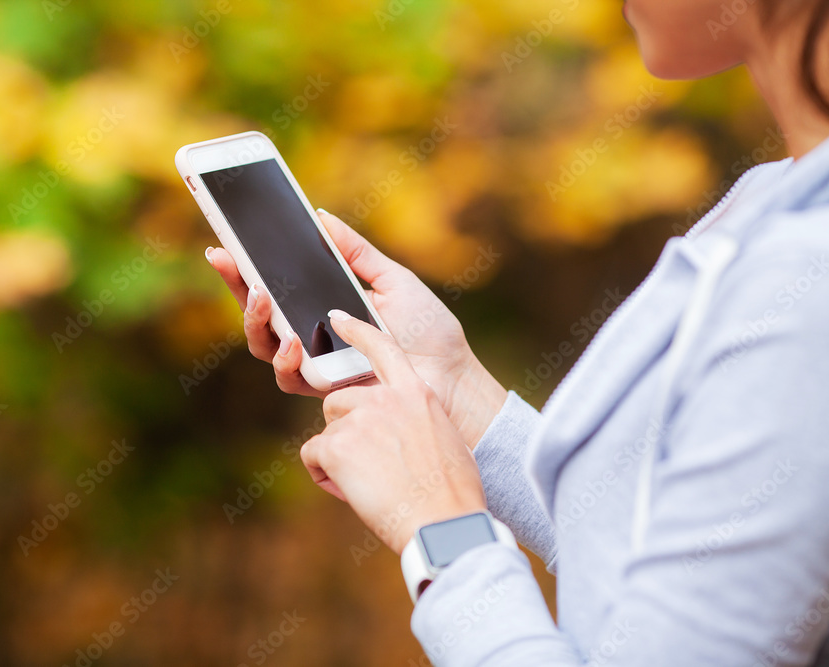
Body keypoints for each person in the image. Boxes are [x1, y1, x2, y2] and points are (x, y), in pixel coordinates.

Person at [206, 0, 829, 663]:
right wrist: (451, 388)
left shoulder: (805, 283)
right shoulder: (777, 197)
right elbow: (667, 565)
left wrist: (442, 527)